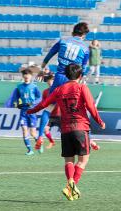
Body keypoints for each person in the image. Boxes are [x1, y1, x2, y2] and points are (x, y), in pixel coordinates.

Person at [27, 64, 105, 201]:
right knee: (83, 160)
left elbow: (44, 104)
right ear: (80, 76)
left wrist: (31, 111)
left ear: (66, 76)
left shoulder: (58, 89)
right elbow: (91, 107)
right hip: (80, 127)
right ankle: (70, 186)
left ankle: (70, 183)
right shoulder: (82, 87)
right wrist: (100, 121)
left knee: (69, 160)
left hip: (66, 130)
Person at [35, 22, 90, 151]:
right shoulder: (85, 48)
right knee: (78, 110)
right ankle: (85, 138)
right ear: (84, 35)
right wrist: (81, 81)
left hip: (59, 78)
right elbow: (84, 69)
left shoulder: (62, 41)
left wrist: (42, 69)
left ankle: (39, 136)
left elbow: (49, 55)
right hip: (72, 81)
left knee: (48, 108)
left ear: (73, 32)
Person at [12, 68, 41, 155]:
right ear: (23, 76)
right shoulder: (19, 87)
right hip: (23, 112)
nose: (26, 76)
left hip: (32, 111)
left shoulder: (34, 87)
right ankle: (29, 150)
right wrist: (17, 104)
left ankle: (39, 142)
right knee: (24, 130)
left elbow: (39, 97)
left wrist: (32, 103)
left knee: (33, 133)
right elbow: (15, 98)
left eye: (28, 75)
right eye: (25, 75)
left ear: (31, 76)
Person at [41, 73, 61, 150]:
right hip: (52, 115)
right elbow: (43, 103)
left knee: (68, 133)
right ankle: (52, 142)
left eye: (52, 80)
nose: (50, 82)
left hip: (61, 115)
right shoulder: (45, 92)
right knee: (45, 129)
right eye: (48, 80)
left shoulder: (59, 90)